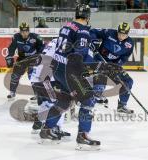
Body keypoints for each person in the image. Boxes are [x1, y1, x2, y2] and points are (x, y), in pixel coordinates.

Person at [38, 4, 101, 150]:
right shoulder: (84, 30)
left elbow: (70, 46)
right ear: (87, 16)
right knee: (88, 100)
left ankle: (46, 130)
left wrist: (87, 46)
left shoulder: (66, 26)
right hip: (69, 70)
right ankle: (83, 136)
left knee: (64, 101)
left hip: (57, 67)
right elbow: (78, 54)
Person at [90, 22, 134, 114]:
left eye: (124, 34)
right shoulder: (109, 32)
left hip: (113, 66)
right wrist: (93, 42)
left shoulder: (130, 43)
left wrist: (116, 66)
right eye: (120, 33)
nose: (121, 36)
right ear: (117, 31)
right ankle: (92, 104)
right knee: (101, 78)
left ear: (128, 34)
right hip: (99, 61)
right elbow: (92, 31)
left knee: (128, 81)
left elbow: (124, 57)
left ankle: (122, 105)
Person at [5, 22, 44, 100]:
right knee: (15, 76)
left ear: (29, 31)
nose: (24, 33)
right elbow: (12, 48)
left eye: (26, 31)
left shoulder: (36, 37)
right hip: (21, 58)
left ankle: (38, 94)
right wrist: (9, 56)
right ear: (20, 31)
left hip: (33, 58)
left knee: (33, 76)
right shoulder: (16, 37)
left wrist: (40, 56)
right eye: (22, 31)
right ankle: (12, 92)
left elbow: (42, 47)